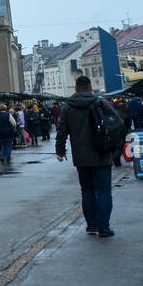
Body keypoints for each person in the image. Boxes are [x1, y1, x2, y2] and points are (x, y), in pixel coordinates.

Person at [56, 77, 116, 237]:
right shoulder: (100, 102)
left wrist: (60, 151)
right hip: (102, 153)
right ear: (90, 88)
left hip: (81, 156)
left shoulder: (67, 106)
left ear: (75, 88)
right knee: (104, 191)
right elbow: (116, 123)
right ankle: (104, 227)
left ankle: (91, 225)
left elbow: (61, 131)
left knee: (87, 190)